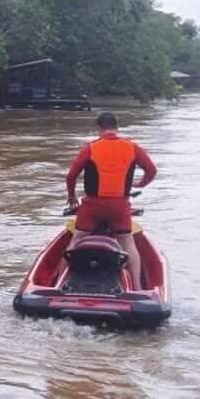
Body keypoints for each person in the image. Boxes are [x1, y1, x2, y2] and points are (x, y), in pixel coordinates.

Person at [65, 112, 158, 289]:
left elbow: (71, 176)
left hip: (92, 206)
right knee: (128, 242)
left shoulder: (90, 148)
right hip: (120, 207)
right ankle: (138, 288)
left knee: (76, 239)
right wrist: (140, 184)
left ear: (99, 129)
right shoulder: (132, 147)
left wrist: (71, 196)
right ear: (117, 127)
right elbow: (152, 170)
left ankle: (59, 282)